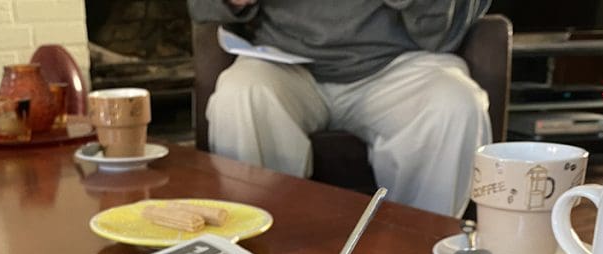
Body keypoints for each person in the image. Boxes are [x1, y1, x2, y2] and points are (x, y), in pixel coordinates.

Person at [188, 0, 493, 216]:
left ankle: (420, 251)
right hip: (282, 61)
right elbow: (200, 7)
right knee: (240, 94)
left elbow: (451, 27)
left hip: (398, 63)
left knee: (455, 103)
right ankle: (259, 249)